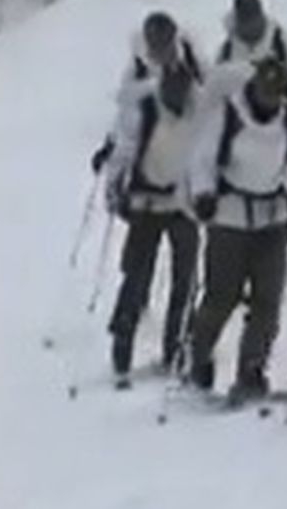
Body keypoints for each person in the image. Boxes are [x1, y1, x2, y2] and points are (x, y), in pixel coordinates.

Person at [185, 59, 287, 402]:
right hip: (230, 219)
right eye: (266, 92)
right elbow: (203, 159)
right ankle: (199, 355)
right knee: (222, 296)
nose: (271, 100)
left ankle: (252, 369)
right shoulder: (228, 117)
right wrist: (204, 193)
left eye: (276, 94)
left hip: (272, 218)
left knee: (268, 300)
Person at [102, 63, 202, 383]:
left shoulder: (200, 109)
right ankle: (123, 339)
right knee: (137, 273)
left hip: (183, 203)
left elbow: (207, 153)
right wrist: (114, 191)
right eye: (173, 91)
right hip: (146, 200)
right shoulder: (145, 109)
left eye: (182, 91)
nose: (178, 97)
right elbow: (124, 152)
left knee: (185, 278)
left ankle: (177, 345)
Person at [91, 12, 210, 174]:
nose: (162, 50)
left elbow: (213, 97)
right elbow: (127, 119)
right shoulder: (138, 72)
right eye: (156, 44)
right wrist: (111, 146)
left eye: (166, 43)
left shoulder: (192, 62)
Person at [212, 0, 287, 102]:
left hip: (283, 116)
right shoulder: (227, 52)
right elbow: (214, 95)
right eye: (246, 18)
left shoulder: (281, 42)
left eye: (253, 17)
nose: (251, 24)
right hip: (237, 117)